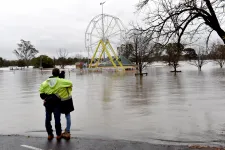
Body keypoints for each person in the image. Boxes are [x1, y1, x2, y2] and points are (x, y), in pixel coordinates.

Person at [39, 68, 72, 141]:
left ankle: (50, 134)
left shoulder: (45, 82)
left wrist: (46, 97)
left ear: (52, 73)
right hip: (57, 103)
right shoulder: (60, 81)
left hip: (48, 104)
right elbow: (70, 83)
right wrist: (61, 78)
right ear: (58, 73)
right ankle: (58, 135)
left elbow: (41, 94)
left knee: (47, 119)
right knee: (57, 119)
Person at [59, 71, 74, 140]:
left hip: (62, 101)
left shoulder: (58, 82)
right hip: (69, 100)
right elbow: (71, 87)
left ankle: (59, 131)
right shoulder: (67, 82)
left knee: (58, 116)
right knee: (68, 116)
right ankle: (67, 131)